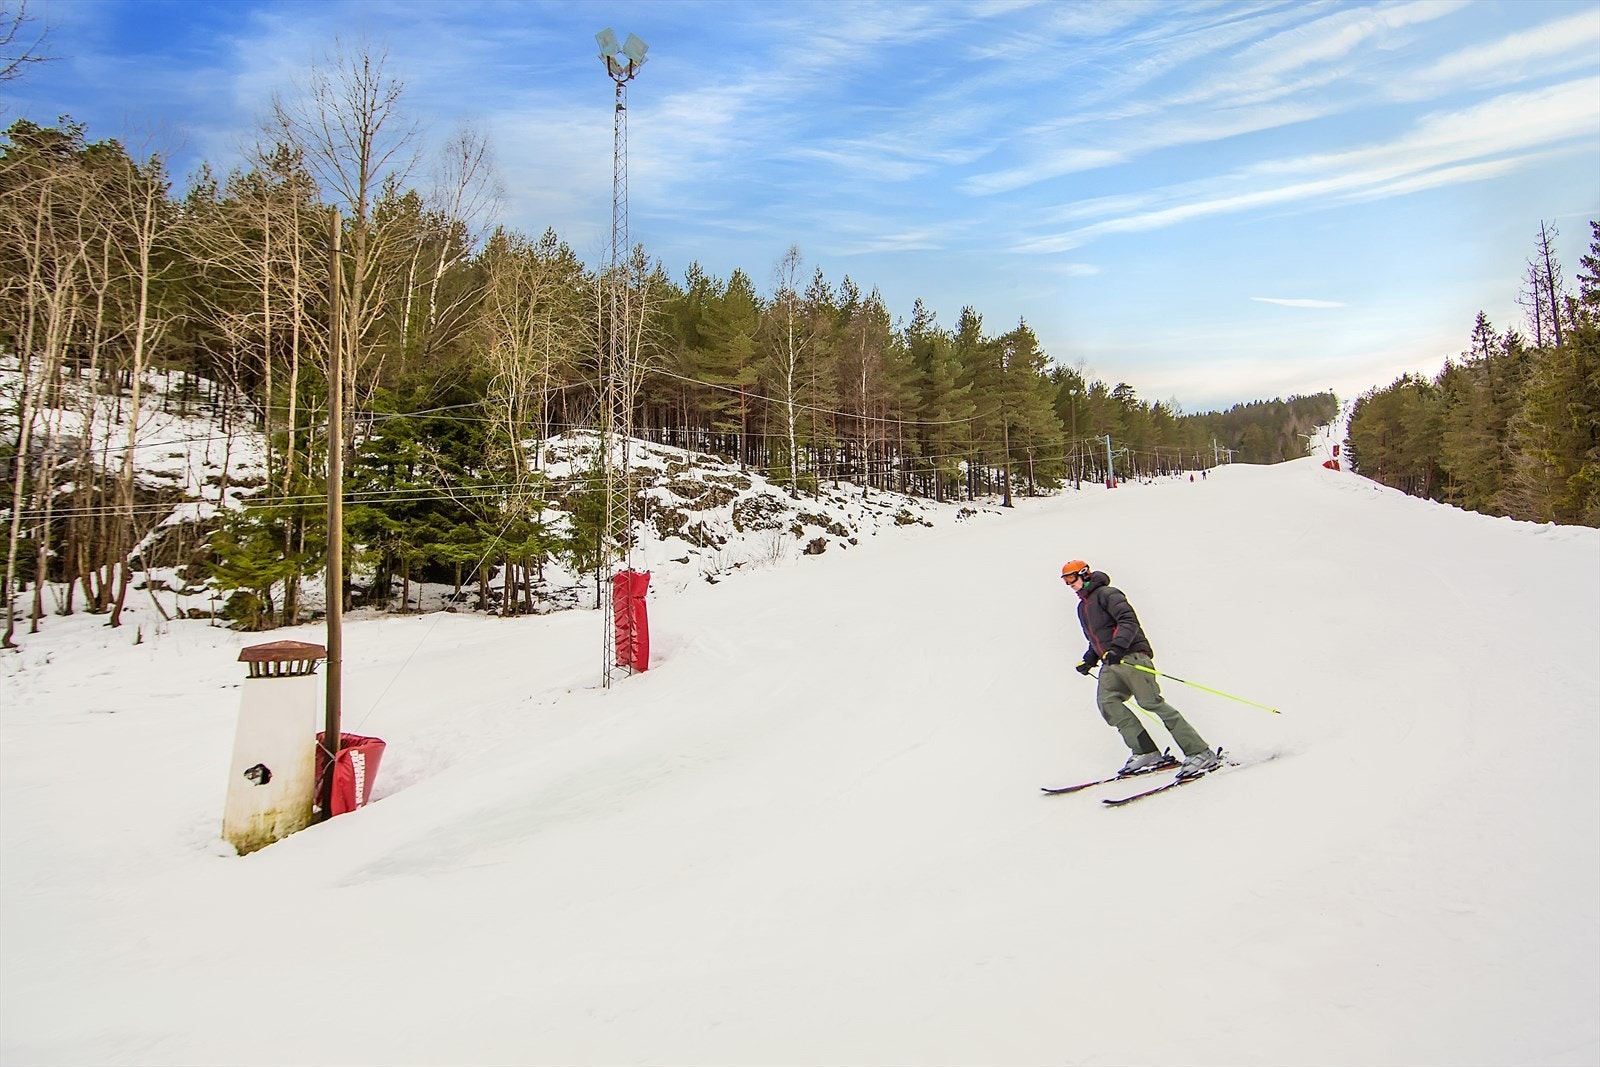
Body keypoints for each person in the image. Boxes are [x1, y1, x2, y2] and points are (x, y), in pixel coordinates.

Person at [1061, 559, 1222, 779]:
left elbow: (1127, 621)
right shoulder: (1083, 607)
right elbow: (1096, 639)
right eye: (1065, 580)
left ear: (1085, 574)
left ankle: (1199, 752)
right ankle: (1146, 752)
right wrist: (1089, 659)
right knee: (1108, 704)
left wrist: (1118, 647)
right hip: (1111, 663)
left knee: (1150, 702)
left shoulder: (1109, 594)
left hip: (1132, 657)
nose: (1069, 583)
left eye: (1071, 577)